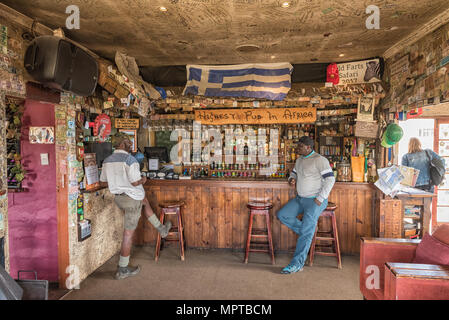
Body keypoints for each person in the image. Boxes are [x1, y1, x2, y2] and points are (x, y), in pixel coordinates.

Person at [100, 133, 171, 280]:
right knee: (128, 234)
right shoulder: (129, 160)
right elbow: (134, 182)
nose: (130, 144)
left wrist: (119, 182)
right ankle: (122, 268)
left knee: (144, 200)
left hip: (121, 198)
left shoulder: (107, 160)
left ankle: (161, 229)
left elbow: (103, 182)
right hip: (132, 198)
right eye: (128, 142)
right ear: (121, 144)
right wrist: (143, 180)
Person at [276, 136, 336, 274]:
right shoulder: (299, 160)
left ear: (308, 147)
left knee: (305, 233)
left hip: (315, 200)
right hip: (300, 198)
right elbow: (294, 173)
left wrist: (321, 198)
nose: (297, 148)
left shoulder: (320, 160)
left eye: (300, 146)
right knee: (282, 215)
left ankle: (297, 264)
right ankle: (307, 231)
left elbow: (330, 180)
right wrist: (292, 179)